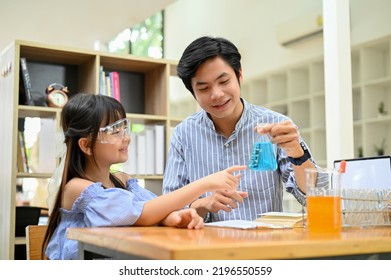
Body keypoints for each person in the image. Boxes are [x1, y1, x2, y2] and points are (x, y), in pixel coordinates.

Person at [42, 93, 246, 260]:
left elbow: (153, 206)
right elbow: (144, 213)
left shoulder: (121, 180)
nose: (127, 137)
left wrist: (172, 217)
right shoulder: (76, 189)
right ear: (86, 145)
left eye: (124, 128)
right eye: (115, 131)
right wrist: (206, 183)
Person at [162, 36, 317, 222]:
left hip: (263, 246)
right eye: (204, 88)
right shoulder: (183, 134)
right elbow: (169, 207)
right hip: (205, 247)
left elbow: (314, 198)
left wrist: (298, 153)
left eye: (224, 81)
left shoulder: (276, 124)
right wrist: (204, 203)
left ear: (239, 75)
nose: (217, 94)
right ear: (193, 93)